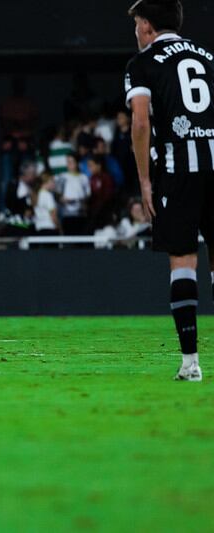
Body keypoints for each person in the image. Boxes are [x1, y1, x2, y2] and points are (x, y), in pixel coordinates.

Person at [126, 0, 214, 381]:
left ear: (146, 25)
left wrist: (145, 180)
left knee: (183, 261)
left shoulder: (142, 64)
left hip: (178, 172)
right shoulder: (208, 56)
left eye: (136, 24)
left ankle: (191, 362)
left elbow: (141, 122)